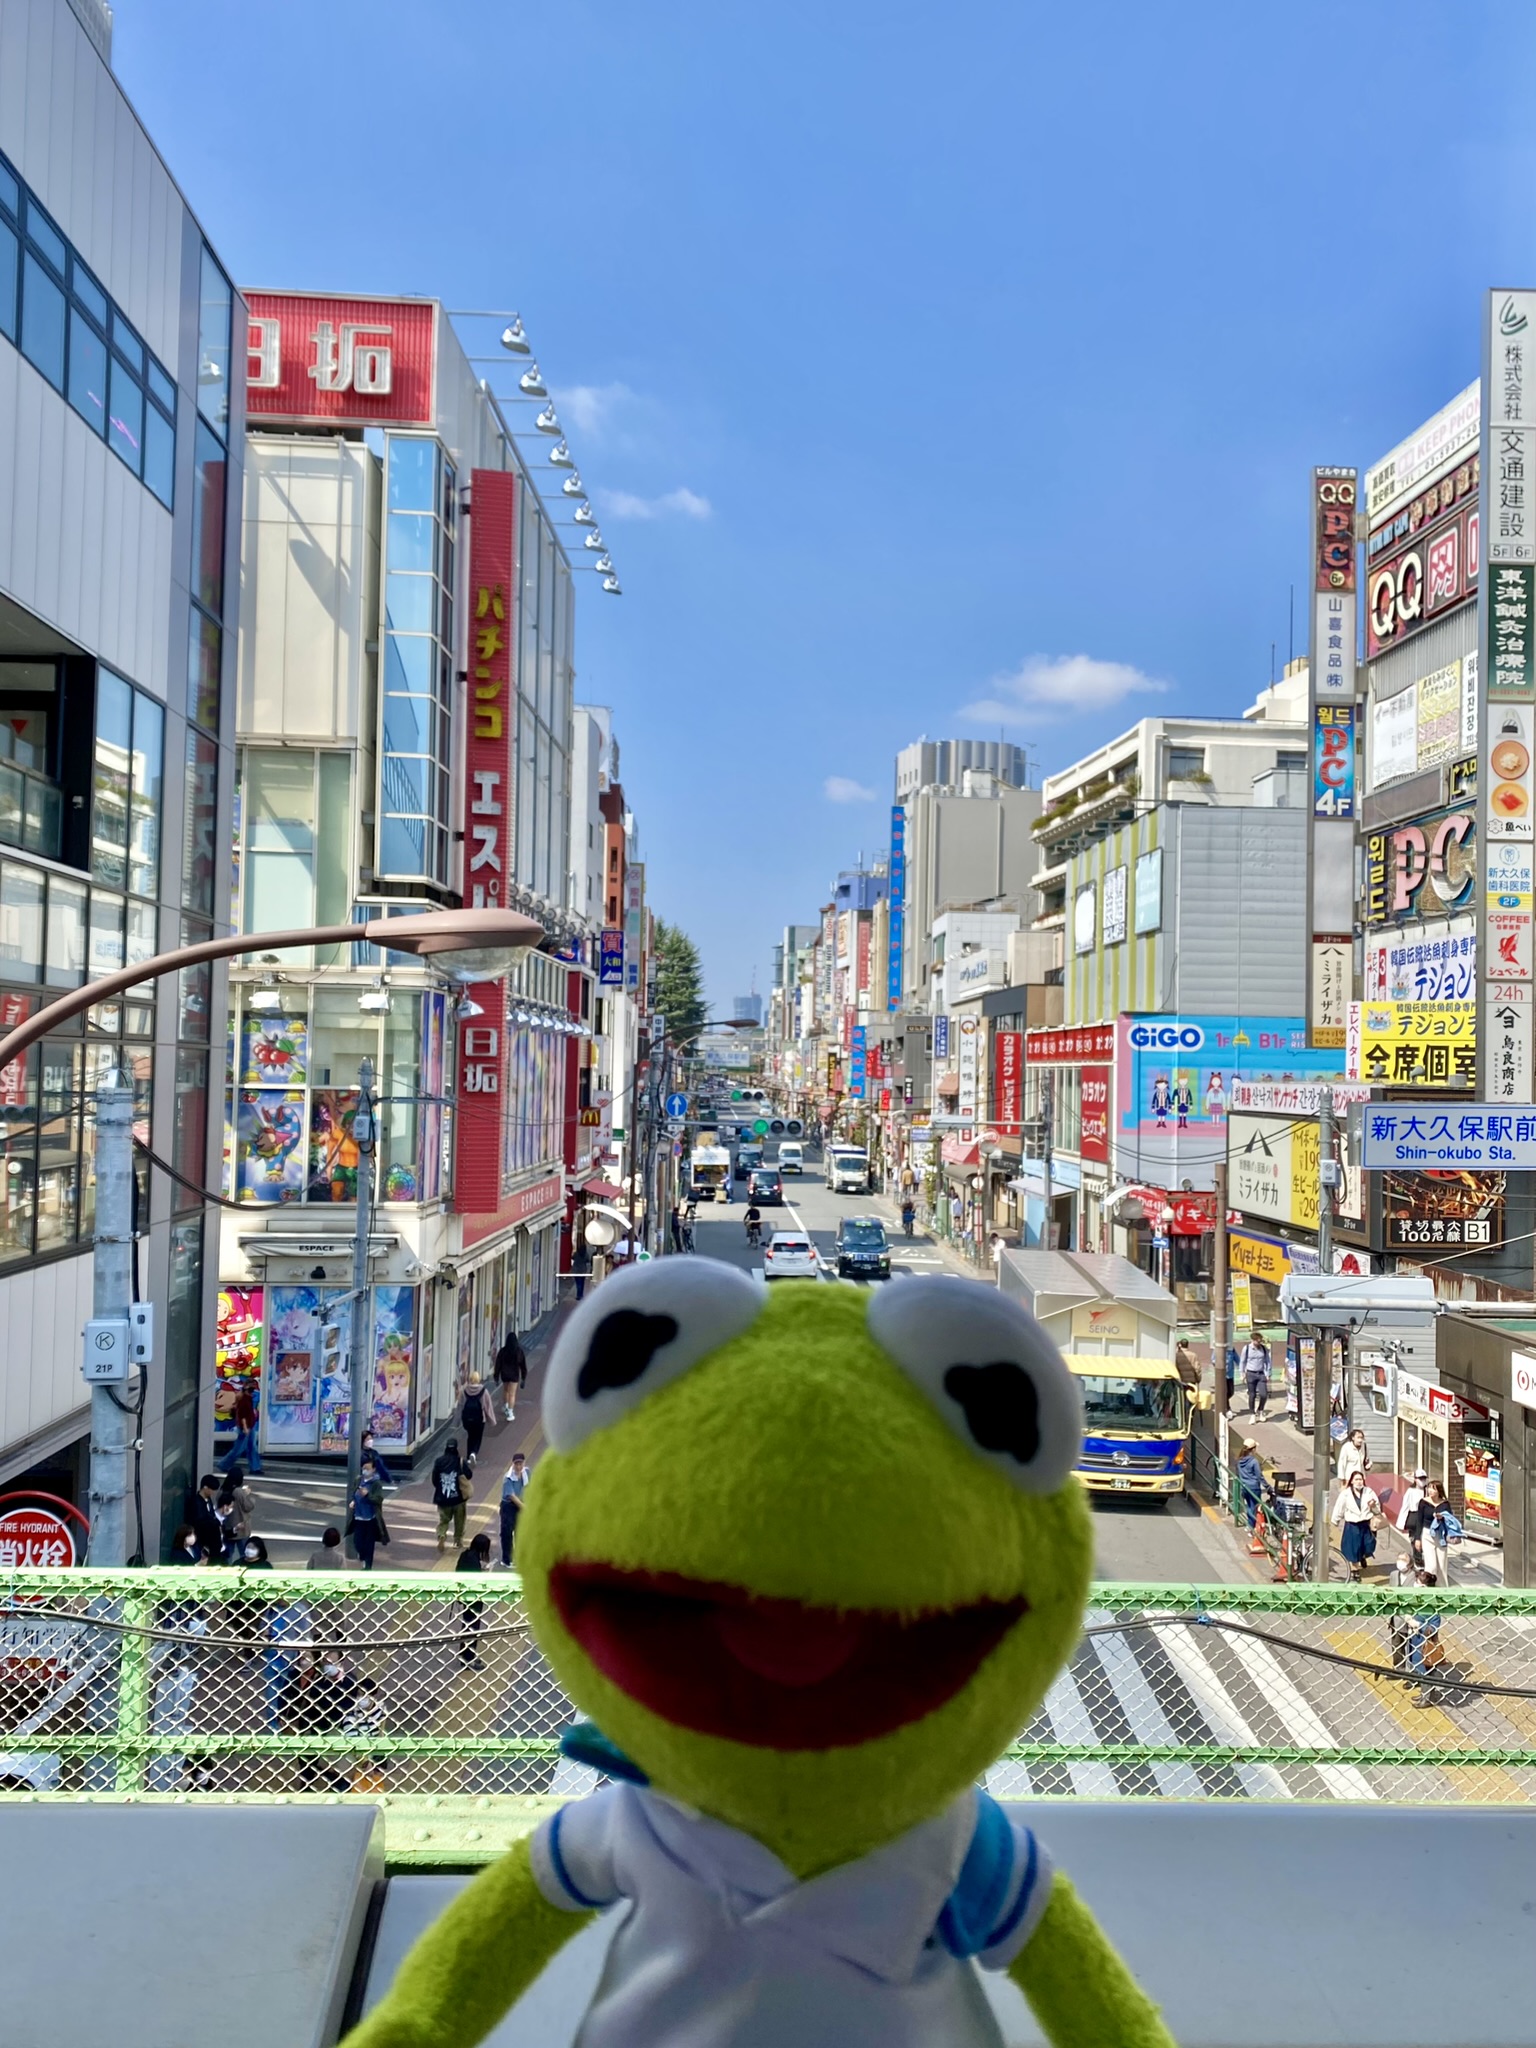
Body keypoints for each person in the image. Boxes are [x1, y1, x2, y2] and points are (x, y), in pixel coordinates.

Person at [1331, 1468, 1383, 1581]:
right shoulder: (1345, 1494)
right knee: (1354, 1548)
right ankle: (1355, 1570)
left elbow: (1377, 1509)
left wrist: (1373, 1506)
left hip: (1366, 1523)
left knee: (1369, 1544)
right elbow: (1339, 1508)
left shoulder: (1369, 1492)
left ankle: (1363, 1556)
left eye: (1361, 1479)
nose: (1359, 1482)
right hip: (1352, 1525)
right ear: (1352, 1481)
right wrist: (1335, 1520)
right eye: (1356, 1479)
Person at [456, 1531, 492, 1666]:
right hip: (473, 1598)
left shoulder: (466, 1554)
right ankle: (468, 1658)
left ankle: (466, 1655)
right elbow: (476, 1579)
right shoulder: (473, 1559)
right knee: (472, 1627)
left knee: (468, 1625)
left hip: (466, 1596)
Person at [348, 1458, 388, 1571]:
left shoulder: (376, 1483)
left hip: (371, 1518)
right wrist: (353, 1501)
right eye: (364, 1468)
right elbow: (354, 1493)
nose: (365, 1470)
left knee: (369, 1543)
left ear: (373, 1469)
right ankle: (363, 1556)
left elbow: (378, 1499)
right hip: (358, 1517)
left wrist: (367, 1495)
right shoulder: (358, 1480)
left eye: (368, 1468)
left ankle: (368, 1566)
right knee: (358, 1542)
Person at [1419, 1480, 1460, 1587]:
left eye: (1433, 1488)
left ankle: (1442, 1589)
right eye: (1429, 1488)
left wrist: (1443, 1517)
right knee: (1431, 1566)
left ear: (1439, 1491)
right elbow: (1419, 1521)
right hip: (1427, 1533)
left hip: (1441, 1535)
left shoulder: (1445, 1504)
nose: (1430, 1490)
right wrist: (1417, 1539)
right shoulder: (1423, 1502)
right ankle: (1428, 1587)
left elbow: (1450, 1519)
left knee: (1442, 1566)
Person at [433, 1438, 469, 1554]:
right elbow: (469, 1475)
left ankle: (442, 1535)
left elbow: (434, 1479)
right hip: (458, 1498)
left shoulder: (439, 1461)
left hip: (443, 1499)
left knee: (444, 1520)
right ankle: (457, 1541)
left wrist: (440, 1488)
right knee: (459, 1521)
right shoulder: (459, 1461)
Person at [220, 1377, 263, 1475]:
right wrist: (245, 1428)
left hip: (249, 1426)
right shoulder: (244, 1399)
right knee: (239, 1449)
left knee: (251, 1447)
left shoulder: (246, 1397)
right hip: (246, 1427)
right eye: (251, 1389)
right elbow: (242, 1415)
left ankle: (255, 1468)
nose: (253, 1392)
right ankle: (224, 1464)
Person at [218, 1468, 256, 1561]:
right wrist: (246, 1494)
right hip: (241, 1528)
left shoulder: (222, 1491)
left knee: (227, 1555)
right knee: (245, 1554)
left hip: (227, 1528)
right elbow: (248, 1506)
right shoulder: (239, 1492)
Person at [500, 1452, 530, 1569]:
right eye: (516, 1464)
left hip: (522, 1503)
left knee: (520, 1531)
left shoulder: (526, 1472)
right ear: (513, 1464)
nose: (518, 1466)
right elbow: (512, 1496)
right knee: (507, 1532)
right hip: (509, 1506)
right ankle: (506, 1559)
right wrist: (525, 1507)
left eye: (520, 1463)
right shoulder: (508, 1478)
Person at [1396, 1468, 1431, 1563]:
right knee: (1415, 1539)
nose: (1422, 1481)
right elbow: (1405, 1506)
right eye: (1420, 1478)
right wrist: (1401, 1522)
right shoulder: (1410, 1491)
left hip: (1426, 1517)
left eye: (1424, 1478)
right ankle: (1418, 1559)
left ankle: (1423, 1557)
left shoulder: (1429, 1490)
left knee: (1425, 1538)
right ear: (1415, 1479)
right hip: (1415, 1516)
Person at [494, 1326, 528, 1422]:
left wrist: (496, 1376)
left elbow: (498, 1364)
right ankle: (510, 1412)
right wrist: (523, 1378)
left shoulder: (503, 1351)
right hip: (514, 1375)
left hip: (504, 1374)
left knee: (505, 1391)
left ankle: (505, 1406)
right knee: (512, 1394)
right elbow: (523, 1365)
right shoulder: (519, 1351)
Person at [460, 1377, 494, 1466]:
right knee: (478, 1437)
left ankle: (468, 1456)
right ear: (478, 1380)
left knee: (470, 1436)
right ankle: (473, 1453)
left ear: (470, 1380)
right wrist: (491, 1420)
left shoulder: (464, 1391)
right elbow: (488, 1407)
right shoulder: (484, 1391)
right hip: (479, 1419)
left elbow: (461, 1406)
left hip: (467, 1419)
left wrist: (457, 1421)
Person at [191, 1474, 224, 1564]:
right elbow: (200, 1521)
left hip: (213, 1539)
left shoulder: (208, 1500)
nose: (213, 1492)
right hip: (203, 1539)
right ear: (205, 1487)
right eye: (212, 1489)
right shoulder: (196, 1502)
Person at [1236, 1439, 1268, 1532]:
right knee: (1255, 1507)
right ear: (1253, 1449)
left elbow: (1238, 1473)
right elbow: (1259, 1476)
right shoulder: (1254, 1461)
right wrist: (1268, 1487)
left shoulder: (1240, 1460)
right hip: (1254, 1487)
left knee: (1249, 1506)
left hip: (1244, 1487)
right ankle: (1251, 1527)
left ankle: (1250, 1525)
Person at [1239, 1335, 1271, 1419]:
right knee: (1252, 1395)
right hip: (1250, 1373)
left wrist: (1268, 1373)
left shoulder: (1263, 1349)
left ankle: (1260, 1410)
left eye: (1260, 1341)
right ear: (1253, 1340)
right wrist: (1242, 1373)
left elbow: (1268, 1361)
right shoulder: (1246, 1349)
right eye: (1257, 1341)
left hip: (1261, 1373)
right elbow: (1242, 1361)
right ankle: (1252, 1414)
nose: (1259, 1343)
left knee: (1263, 1394)